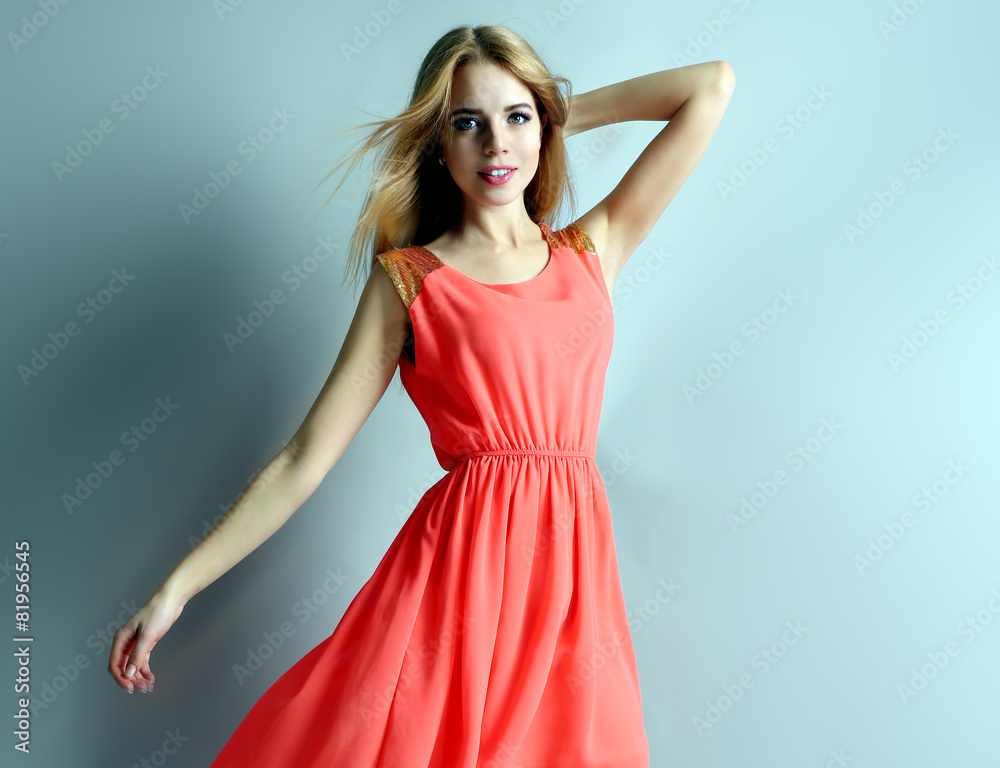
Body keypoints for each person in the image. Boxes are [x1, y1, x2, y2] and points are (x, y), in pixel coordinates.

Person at [108, 23, 734, 767]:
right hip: (458, 585)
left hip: (573, 577)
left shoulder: (590, 251)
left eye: (515, 118)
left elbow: (710, 86)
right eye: (469, 123)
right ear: (441, 142)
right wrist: (176, 589)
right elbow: (306, 456)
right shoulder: (410, 280)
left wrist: (560, 115)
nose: (496, 145)